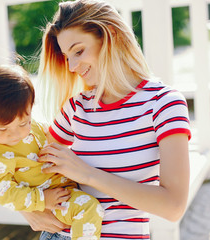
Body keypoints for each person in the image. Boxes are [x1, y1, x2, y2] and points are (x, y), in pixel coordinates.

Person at [21, 0, 192, 239]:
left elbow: (173, 206)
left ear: (110, 35)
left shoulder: (163, 103)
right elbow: (23, 162)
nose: (72, 66)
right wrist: (27, 209)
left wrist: (87, 174)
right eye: (67, 56)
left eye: (78, 51)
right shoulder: (76, 108)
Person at [0, 64, 104, 240]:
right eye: (3, 129)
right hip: (54, 200)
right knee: (88, 208)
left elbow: (55, 136)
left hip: (70, 183)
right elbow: (1, 191)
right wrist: (41, 199)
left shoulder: (35, 128)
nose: (15, 134)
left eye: (23, 123)